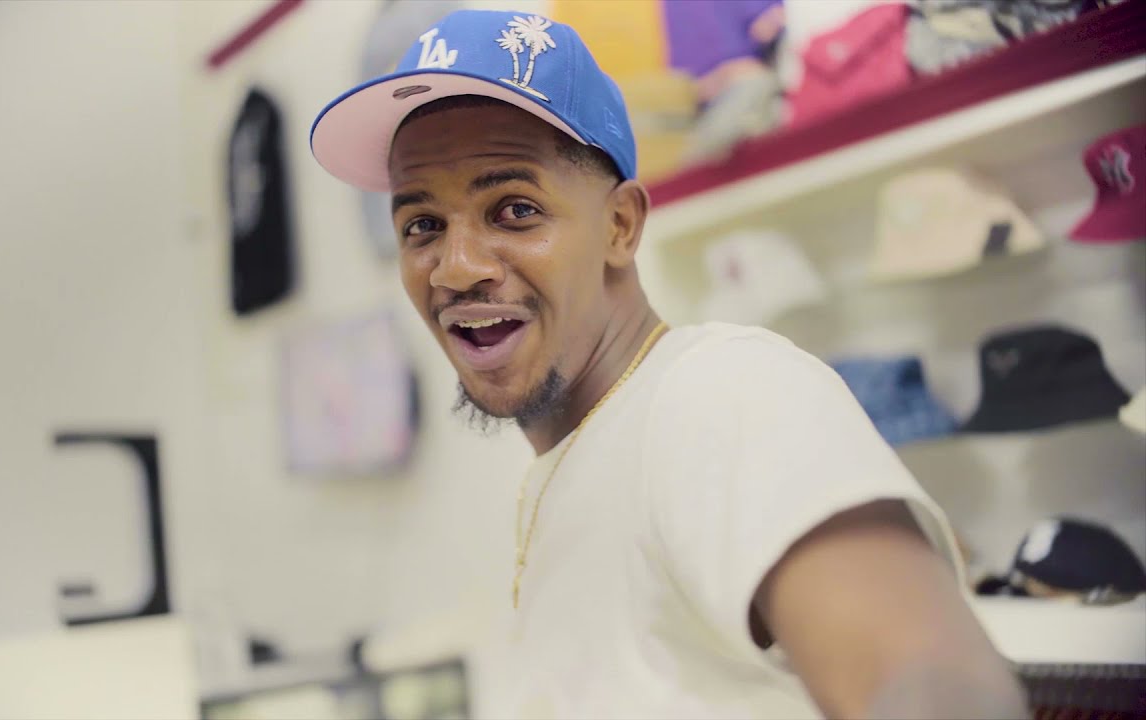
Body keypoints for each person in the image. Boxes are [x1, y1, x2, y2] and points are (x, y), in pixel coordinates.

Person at [311, 9, 1026, 719]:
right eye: (422, 225)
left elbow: (937, 686)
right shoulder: (579, 455)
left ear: (620, 225)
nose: (456, 268)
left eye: (514, 210)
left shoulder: (722, 393)